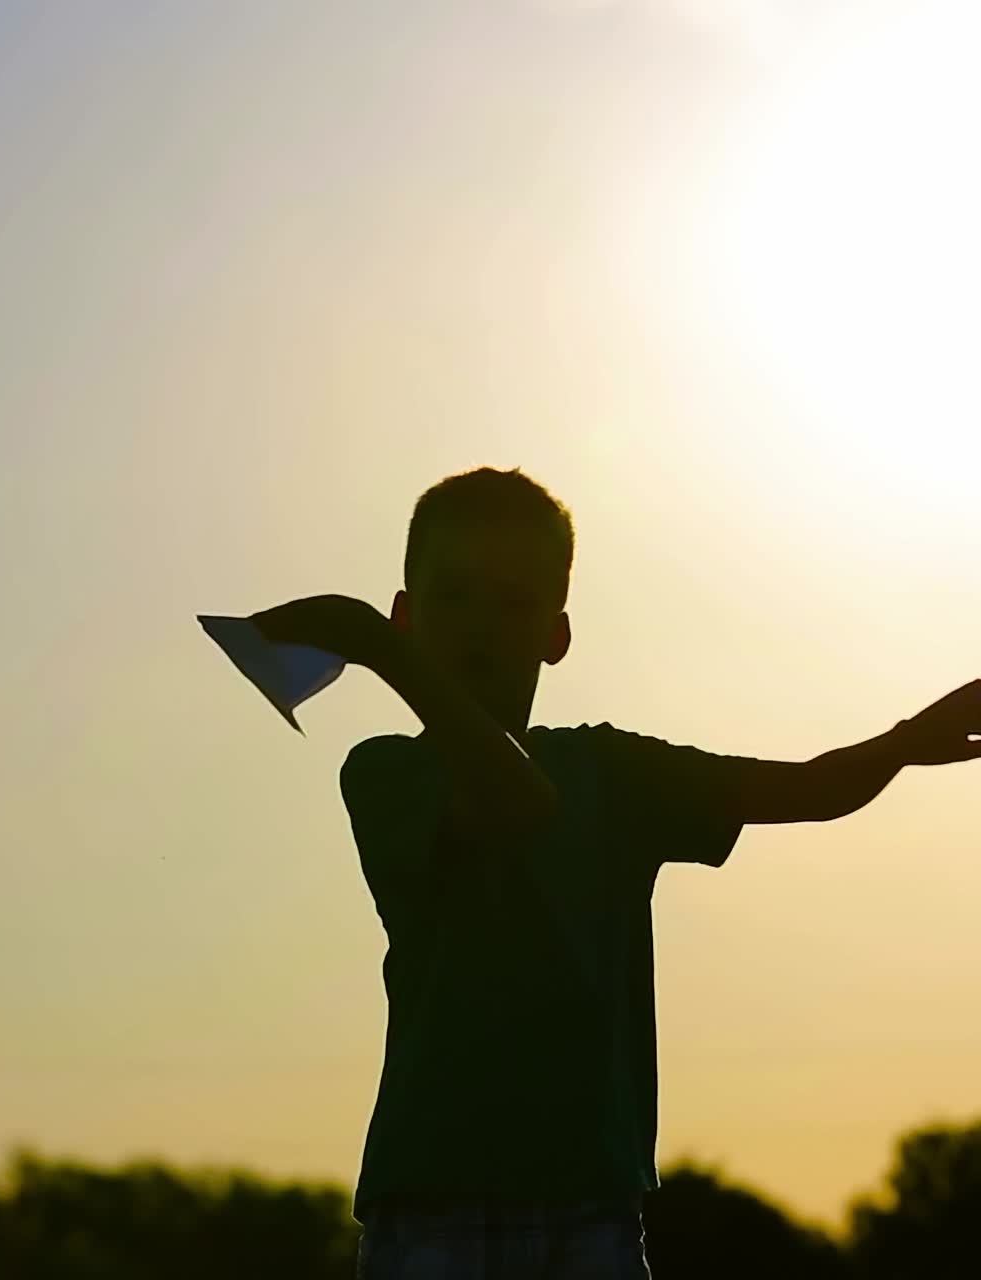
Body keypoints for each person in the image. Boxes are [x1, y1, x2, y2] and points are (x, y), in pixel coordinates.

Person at [249, 465, 976, 1279]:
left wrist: (910, 739)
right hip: (431, 1209)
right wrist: (388, 656)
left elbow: (809, 788)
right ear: (409, 616)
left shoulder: (614, 772)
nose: (479, 626)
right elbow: (512, 798)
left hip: (591, 1210)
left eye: (511, 602)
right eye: (451, 597)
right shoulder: (385, 774)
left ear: (555, 636)